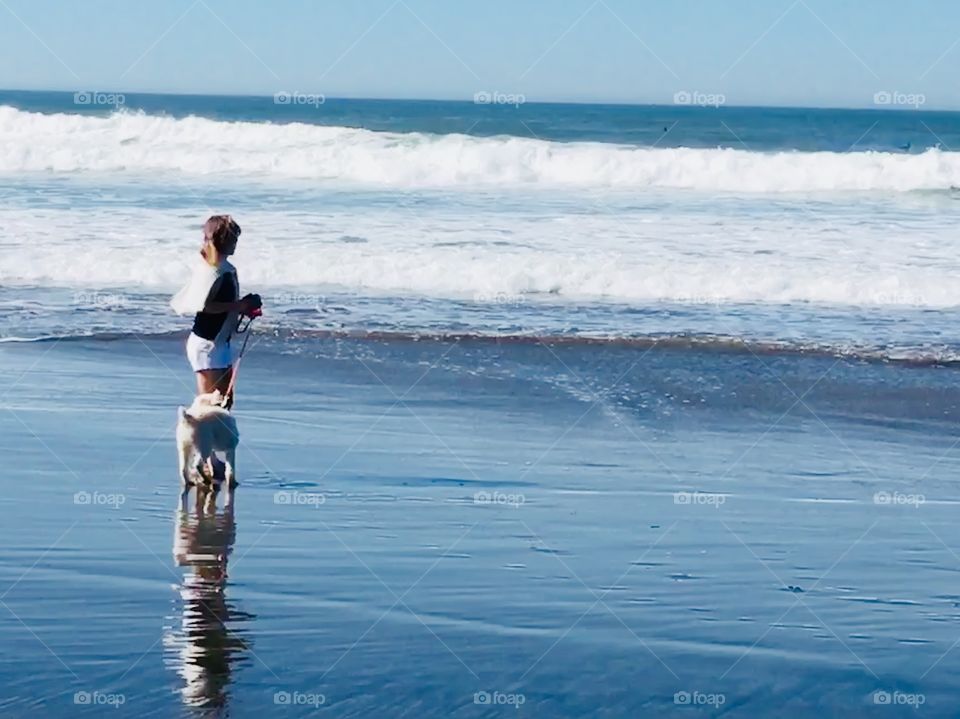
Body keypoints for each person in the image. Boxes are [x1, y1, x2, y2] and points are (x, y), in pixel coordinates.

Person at [171, 215, 260, 409]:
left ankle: (212, 437)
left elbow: (222, 304)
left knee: (224, 403)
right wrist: (239, 306)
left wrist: (244, 306)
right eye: (233, 238)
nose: (236, 243)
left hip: (219, 343)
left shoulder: (224, 269)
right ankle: (197, 437)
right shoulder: (213, 271)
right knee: (210, 405)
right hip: (206, 345)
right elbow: (205, 306)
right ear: (222, 240)